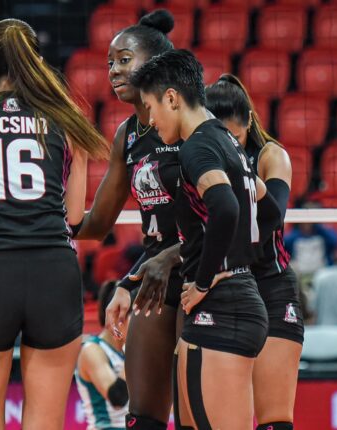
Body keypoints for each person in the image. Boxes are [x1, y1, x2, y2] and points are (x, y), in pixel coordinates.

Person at [0, 18, 108, 430]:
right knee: (45, 420)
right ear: (37, 61)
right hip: (53, 272)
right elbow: (73, 218)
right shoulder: (67, 119)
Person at [130, 49, 281, 429]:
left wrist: (206, 278)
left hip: (224, 308)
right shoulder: (228, 142)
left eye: (150, 108)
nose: (150, 120)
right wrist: (238, 260)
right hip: (233, 302)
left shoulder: (197, 147)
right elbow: (270, 213)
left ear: (171, 98)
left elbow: (226, 208)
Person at [75, 10, 182, 429]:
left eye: (124, 59)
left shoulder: (190, 120)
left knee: (195, 413)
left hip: (202, 271)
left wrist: (167, 258)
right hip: (154, 278)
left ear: (155, 64)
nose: (113, 71)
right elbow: (98, 223)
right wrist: (35, 212)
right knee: (142, 417)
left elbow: (230, 212)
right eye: (110, 63)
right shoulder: (128, 134)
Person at [206, 74, 304, 430]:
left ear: (248, 121)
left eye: (235, 136)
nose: (229, 144)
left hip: (270, 285)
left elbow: (270, 219)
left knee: (274, 420)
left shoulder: (271, 155)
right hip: (225, 288)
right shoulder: (200, 156)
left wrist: (241, 172)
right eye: (221, 137)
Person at [75, 281, 129, 430]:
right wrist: (137, 351)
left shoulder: (126, 351)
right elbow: (117, 398)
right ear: (118, 315)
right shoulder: (92, 350)